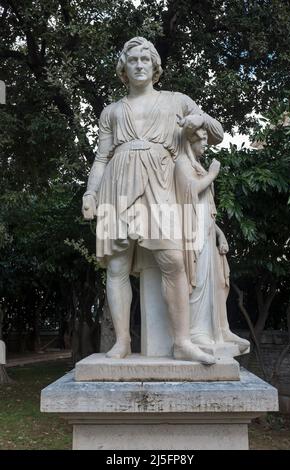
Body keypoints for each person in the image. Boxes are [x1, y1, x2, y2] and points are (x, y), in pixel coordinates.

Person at [82, 37, 224, 363]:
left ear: (155, 66)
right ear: (123, 68)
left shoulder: (176, 101)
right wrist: (90, 193)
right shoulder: (112, 112)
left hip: (160, 183)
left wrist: (199, 120)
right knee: (117, 265)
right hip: (117, 185)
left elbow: (216, 132)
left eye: (146, 59)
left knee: (172, 259)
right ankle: (121, 342)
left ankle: (182, 341)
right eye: (132, 60)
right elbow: (102, 158)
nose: (140, 64)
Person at [175, 126, 250, 353]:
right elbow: (190, 192)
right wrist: (212, 174)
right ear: (190, 141)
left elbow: (207, 208)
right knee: (196, 282)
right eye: (202, 140)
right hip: (192, 233)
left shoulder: (197, 165)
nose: (206, 144)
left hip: (207, 232)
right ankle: (196, 332)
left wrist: (220, 234)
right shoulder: (182, 164)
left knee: (214, 282)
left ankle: (219, 328)